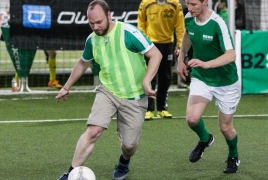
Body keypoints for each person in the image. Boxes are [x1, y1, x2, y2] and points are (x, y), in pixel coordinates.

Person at [56, 0, 162, 180]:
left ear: (109, 15)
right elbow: (83, 62)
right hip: (108, 91)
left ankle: (124, 161)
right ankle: (70, 172)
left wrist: (146, 81)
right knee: (93, 130)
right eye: (92, 23)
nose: (96, 27)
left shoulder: (128, 32)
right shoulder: (92, 40)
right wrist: (66, 86)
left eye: (99, 22)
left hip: (135, 96)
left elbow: (156, 54)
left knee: (129, 146)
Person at [177, 0, 241, 173]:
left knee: (226, 128)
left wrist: (207, 64)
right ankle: (205, 139)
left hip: (226, 81)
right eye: (187, 4)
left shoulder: (217, 23)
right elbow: (188, 35)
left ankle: (233, 155)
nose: (189, 8)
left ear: (205, 2)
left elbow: (231, 55)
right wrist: (181, 57)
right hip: (202, 78)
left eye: (193, 4)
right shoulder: (190, 17)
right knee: (192, 119)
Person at [138, 0, 185, 120]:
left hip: (168, 44)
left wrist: (179, 45)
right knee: (150, 77)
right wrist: (144, 42)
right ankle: (148, 109)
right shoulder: (146, 3)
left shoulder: (175, 4)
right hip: (150, 44)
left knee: (166, 77)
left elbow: (180, 26)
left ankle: (162, 108)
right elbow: (141, 24)